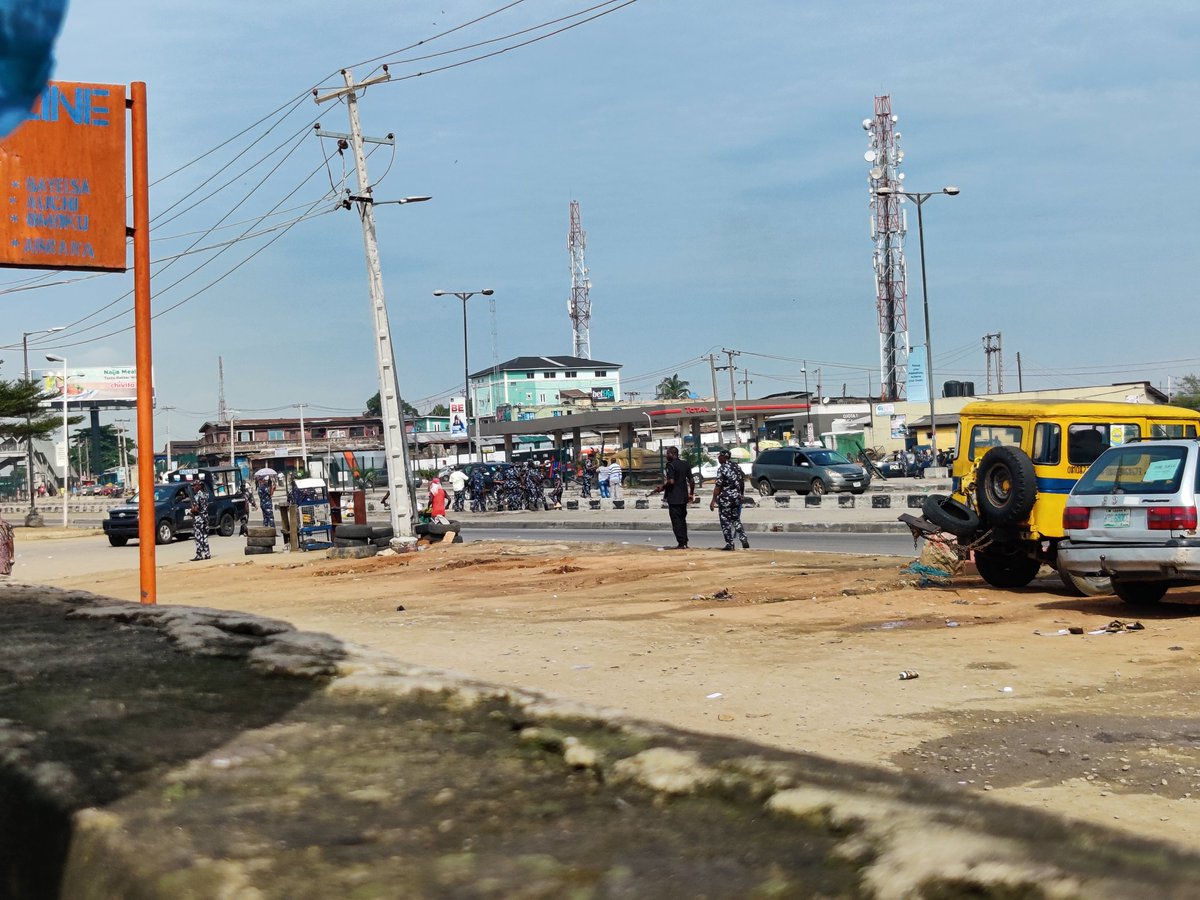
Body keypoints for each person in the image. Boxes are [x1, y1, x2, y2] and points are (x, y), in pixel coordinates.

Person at [650, 446, 695, 549]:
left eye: (667, 453)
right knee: (682, 520)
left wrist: (662, 487)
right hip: (683, 497)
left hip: (674, 498)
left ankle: (681, 543)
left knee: (676, 521)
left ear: (672, 454)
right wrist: (691, 493)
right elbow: (692, 481)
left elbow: (671, 481)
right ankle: (685, 542)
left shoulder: (670, 465)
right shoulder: (685, 464)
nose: (666, 456)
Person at [709, 450, 749, 551]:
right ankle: (743, 538)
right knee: (735, 519)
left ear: (723, 457)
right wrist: (742, 494)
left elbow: (718, 486)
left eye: (719, 456)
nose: (718, 458)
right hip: (736, 498)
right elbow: (741, 481)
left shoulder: (722, 468)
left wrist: (713, 500)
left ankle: (730, 543)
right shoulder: (736, 467)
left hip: (726, 498)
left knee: (725, 521)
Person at [190, 479, 211, 561]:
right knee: (205, 536)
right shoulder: (205, 495)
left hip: (199, 518)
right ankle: (207, 553)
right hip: (205, 518)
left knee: (198, 537)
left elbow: (196, 509)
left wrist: (190, 511)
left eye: (195, 486)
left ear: (199, 486)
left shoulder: (197, 496)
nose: (193, 487)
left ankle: (199, 555)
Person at [0, 511, 14, 575]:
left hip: (3, 558)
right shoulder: (6, 525)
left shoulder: (6, 525)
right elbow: (10, 541)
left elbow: (10, 541)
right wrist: (12, 556)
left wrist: (12, 556)